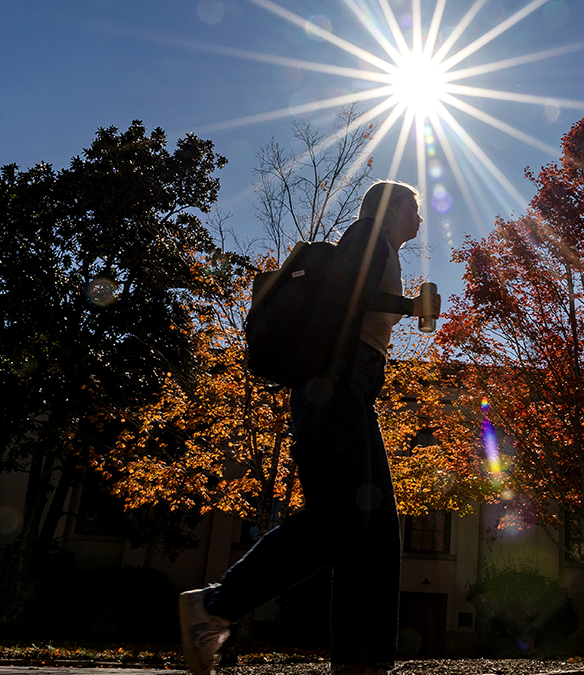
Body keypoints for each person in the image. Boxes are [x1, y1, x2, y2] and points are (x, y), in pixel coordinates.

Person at [179, 181, 438, 675]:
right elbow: (347, 298)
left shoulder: (381, 249)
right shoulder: (367, 234)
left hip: (354, 386)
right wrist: (412, 309)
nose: (419, 220)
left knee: (377, 528)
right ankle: (214, 606)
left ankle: (364, 659)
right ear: (388, 209)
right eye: (413, 208)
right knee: (342, 516)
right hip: (336, 382)